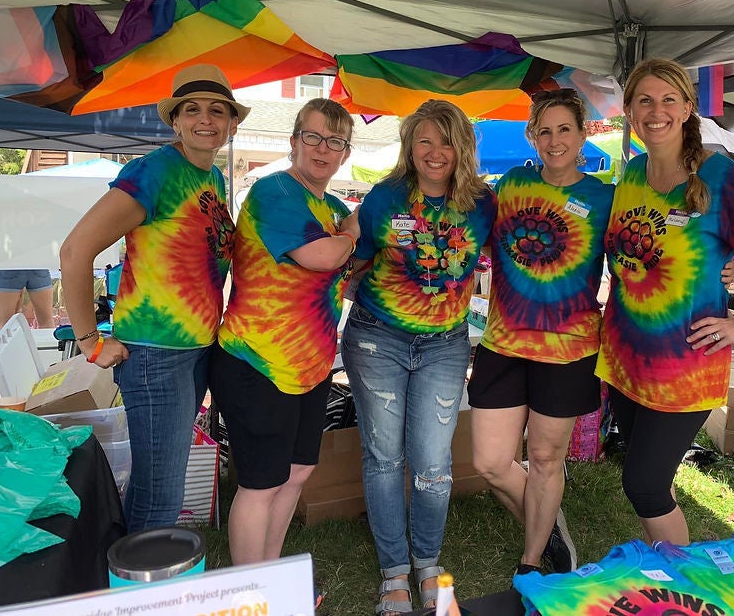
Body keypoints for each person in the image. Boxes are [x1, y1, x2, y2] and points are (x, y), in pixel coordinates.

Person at [596, 57, 734, 545]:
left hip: (685, 366)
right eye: (644, 100)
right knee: (651, 477)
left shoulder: (720, 178)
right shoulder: (630, 174)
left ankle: (684, 585)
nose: (657, 111)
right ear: (628, 110)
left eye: (669, 99)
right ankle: (665, 564)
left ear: (688, 108)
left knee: (643, 485)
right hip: (626, 358)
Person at [60, 64, 246, 532]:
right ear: (176, 121)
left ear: (232, 122)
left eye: (218, 110)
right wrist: (89, 340)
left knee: (153, 484)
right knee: (163, 497)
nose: (206, 119)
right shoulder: (154, 170)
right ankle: (142, 593)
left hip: (196, 350)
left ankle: (121, 576)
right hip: (155, 354)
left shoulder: (212, 180)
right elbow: (75, 251)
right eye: (193, 110)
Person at [340, 99, 497, 615]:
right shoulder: (385, 199)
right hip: (376, 340)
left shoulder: (482, 204)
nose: (434, 152)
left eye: (445, 141)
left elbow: (509, 258)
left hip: (445, 345)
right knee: (384, 459)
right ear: (409, 145)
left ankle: (427, 564)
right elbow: (352, 264)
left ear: (463, 148)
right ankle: (394, 574)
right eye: (424, 140)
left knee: (433, 464)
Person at [466, 88, 614, 578]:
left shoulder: (603, 198)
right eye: (544, 130)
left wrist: (719, 275)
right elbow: (466, 232)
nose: (554, 141)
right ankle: (547, 524)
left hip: (568, 349)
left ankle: (532, 561)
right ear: (532, 135)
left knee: (546, 457)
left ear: (583, 133)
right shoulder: (510, 185)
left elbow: (644, 262)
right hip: (503, 342)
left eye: (564, 129)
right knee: (489, 462)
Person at [209, 98, 359, 565]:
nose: (322, 149)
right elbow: (323, 257)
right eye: (312, 137)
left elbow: (351, 273)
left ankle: (269, 579)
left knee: (296, 472)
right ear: (294, 142)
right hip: (257, 361)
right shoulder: (274, 192)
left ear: (345, 154)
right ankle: (247, 592)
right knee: (260, 483)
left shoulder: (333, 206)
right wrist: (354, 234)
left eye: (334, 142)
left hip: (311, 367)